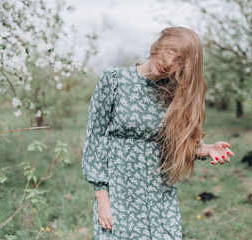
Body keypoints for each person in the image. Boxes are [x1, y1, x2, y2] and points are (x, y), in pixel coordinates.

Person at [81, 26, 234, 240]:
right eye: (170, 51)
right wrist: (102, 198)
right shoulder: (114, 80)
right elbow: (94, 139)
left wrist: (205, 149)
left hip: (159, 194)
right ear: (159, 43)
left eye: (180, 61)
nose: (170, 62)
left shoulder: (174, 94)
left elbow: (176, 144)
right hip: (120, 192)